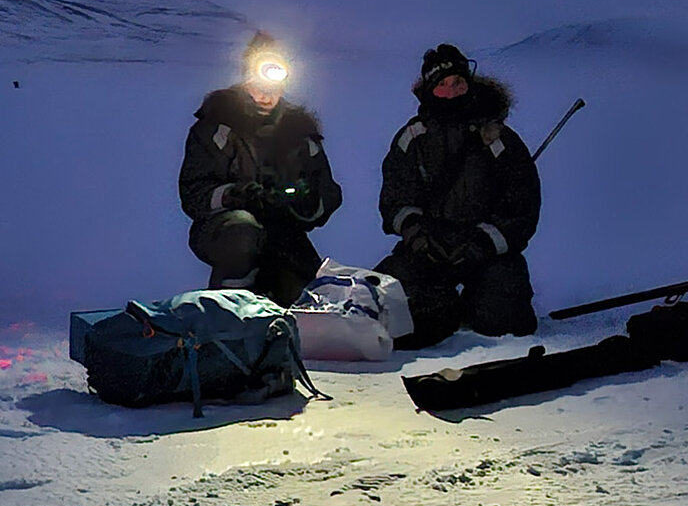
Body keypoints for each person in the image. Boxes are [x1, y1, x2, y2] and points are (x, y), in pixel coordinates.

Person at [377, 43, 540, 349]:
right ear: (429, 89)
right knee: (389, 306)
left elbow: (522, 207)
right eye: (442, 85)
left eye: (458, 83)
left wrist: (483, 242)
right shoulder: (412, 138)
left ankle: (472, 303)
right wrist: (418, 235)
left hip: (487, 250)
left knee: (505, 319)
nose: (451, 91)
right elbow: (395, 198)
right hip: (428, 247)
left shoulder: (499, 139)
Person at [178, 32, 343, 304]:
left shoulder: (300, 132)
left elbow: (328, 191)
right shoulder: (218, 125)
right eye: (258, 84)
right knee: (243, 235)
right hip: (225, 229)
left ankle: (291, 330)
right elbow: (194, 191)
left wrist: (303, 198)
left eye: (274, 87)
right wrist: (237, 195)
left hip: (283, 230)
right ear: (246, 80)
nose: (266, 95)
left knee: (306, 293)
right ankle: (230, 315)